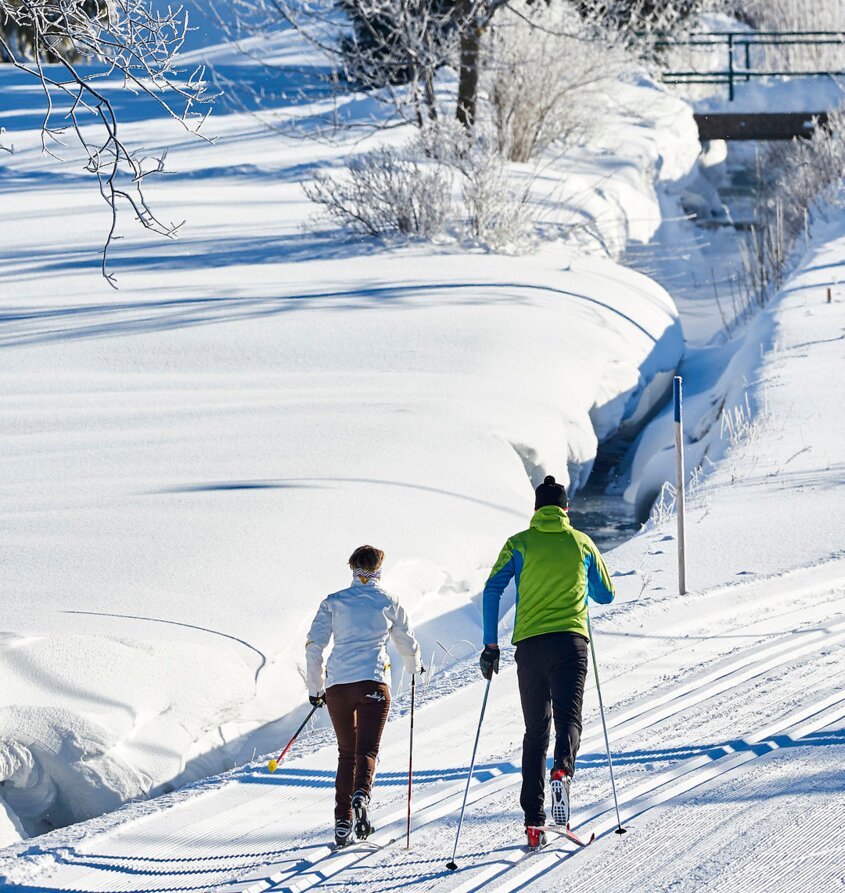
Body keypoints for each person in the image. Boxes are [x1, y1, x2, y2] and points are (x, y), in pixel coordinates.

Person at [479, 475, 615, 849]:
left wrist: (491, 645)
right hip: (571, 642)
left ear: (536, 509)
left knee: (536, 731)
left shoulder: (518, 543)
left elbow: (492, 589)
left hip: (530, 646)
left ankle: (533, 822)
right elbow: (606, 594)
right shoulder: (581, 542)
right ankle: (562, 771)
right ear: (566, 509)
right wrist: (579, 581)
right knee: (569, 718)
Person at [306, 544, 423, 848]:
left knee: (347, 753)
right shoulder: (388, 601)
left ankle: (343, 822)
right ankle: (362, 795)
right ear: (379, 569)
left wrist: (316, 689)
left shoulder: (333, 602)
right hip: (373, 682)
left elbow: (314, 646)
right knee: (367, 751)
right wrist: (415, 666)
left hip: (339, 686)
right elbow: (406, 641)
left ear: (352, 568)